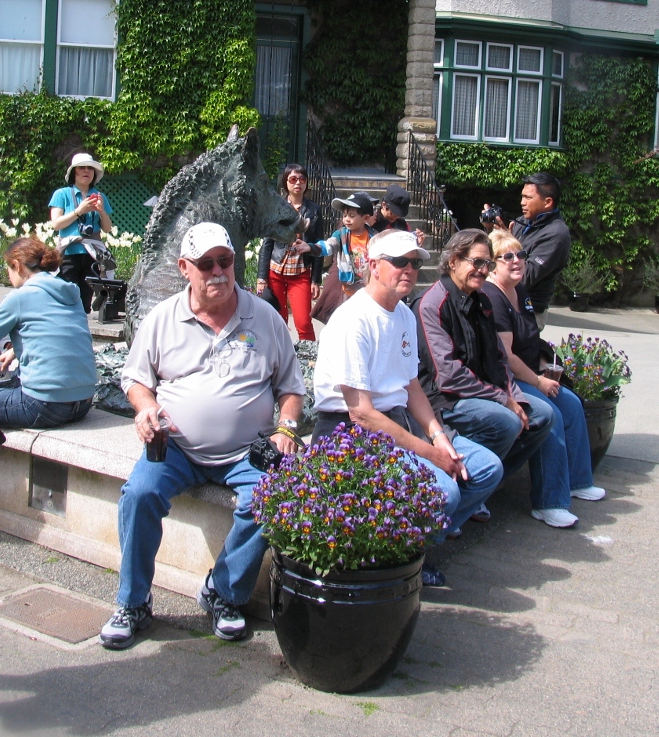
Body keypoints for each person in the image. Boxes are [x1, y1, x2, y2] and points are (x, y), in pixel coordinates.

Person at [102, 222, 306, 649]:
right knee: (139, 495)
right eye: (206, 263)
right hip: (176, 446)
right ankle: (133, 601)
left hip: (246, 451)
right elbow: (136, 381)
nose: (218, 271)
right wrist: (146, 409)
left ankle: (223, 593)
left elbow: (291, 388)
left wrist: (286, 428)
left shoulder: (264, 317)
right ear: (184, 268)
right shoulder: (163, 318)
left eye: (225, 261)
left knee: (273, 496)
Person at [312, 231, 504, 587]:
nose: (409, 270)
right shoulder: (352, 320)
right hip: (351, 434)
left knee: (486, 468)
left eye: (415, 263)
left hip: (396, 425)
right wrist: (431, 455)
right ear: (372, 265)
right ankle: (399, 563)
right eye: (399, 261)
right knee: (444, 491)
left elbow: (411, 384)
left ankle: (413, 545)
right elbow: (362, 414)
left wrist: (439, 436)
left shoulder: (402, 313)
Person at [416, 230, 571, 527]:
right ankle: (462, 502)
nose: (483, 270)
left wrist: (517, 397)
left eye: (487, 263)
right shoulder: (433, 304)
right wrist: (504, 400)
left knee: (544, 415)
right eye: (476, 262)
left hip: (482, 392)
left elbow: (500, 358)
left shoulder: (481, 301)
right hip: (445, 399)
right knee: (508, 421)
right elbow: (448, 375)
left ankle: (481, 488)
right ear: (452, 261)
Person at [483, 230, 604, 516]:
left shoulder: (519, 292)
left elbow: (530, 339)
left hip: (530, 373)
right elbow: (506, 356)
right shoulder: (493, 297)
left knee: (572, 404)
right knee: (550, 414)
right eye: (507, 256)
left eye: (521, 254)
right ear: (492, 264)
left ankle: (578, 481)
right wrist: (538, 380)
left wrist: (544, 367)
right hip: (507, 381)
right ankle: (550, 501)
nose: (517, 261)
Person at [0, 238, 97, 430]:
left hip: (44, 407)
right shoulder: (72, 293)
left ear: (17, 265)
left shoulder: (19, 297)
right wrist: (14, 351)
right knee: (13, 380)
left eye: (9, 269)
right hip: (84, 402)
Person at [256, 163, 324, 341]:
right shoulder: (276, 208)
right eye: (293, 179)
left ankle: (308, 362)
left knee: (303, 323)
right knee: (277, 321)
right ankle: (279, 359)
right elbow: (267, 244)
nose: (298, 183)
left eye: (302, 179)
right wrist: (261, 278)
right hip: (276, 271)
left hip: (300, 273)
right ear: (285, 182)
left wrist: (316, 280)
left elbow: (318, 246)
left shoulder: (314, 211)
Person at [49, 152, 114, 314]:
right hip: (69, 254)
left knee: (85, 302)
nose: (86, 171)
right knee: (66, 300)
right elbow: (56, 224)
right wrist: (79, 211)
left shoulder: (100, 197)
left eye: (90, 169)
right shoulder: (62, 194)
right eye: (81, 168)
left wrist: (101, 212)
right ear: (74, 172)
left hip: (92, 255)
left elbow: (107, 228)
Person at [299, 191, 378, 323]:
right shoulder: (341, 235)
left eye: (352, 216)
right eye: (345, 215)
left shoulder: (374, 237)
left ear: (365, 218)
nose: (346, 219)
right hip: (348, 291)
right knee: (346, 323)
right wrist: (311, 247)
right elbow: (329, 245)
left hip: (368, 291)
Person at [511, 173, 572, 327]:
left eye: (528, 198)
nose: (522, 202)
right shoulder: (523, 222)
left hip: (528, 312)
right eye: (522, 197)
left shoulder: (555, 234)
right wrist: (499, 237)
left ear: (547, 202)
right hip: (508, 303)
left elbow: (525, 277)